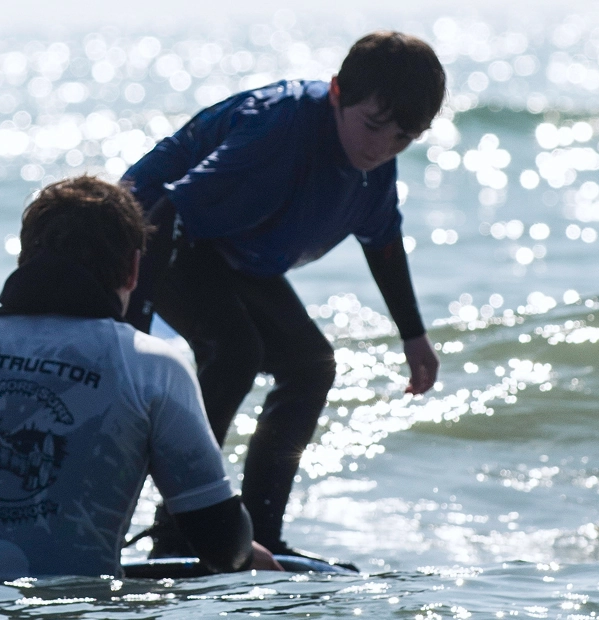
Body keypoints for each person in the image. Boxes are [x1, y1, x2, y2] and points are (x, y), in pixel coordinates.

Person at [119, 31, 445, 558]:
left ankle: (263, 535)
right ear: (337, 92)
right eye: (373, 126)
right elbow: (168, 213)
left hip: (232, 250)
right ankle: (178, 531)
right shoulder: (280, 125)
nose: (381, 147)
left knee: (311, 363)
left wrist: (414, 336)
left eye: (403, 138)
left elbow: (382, 242)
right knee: (235, 351)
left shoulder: (377, 161)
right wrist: (126, 331)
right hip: (155, 236)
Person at [0, 176, 275, 586]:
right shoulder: (150, 365)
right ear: (134, 267)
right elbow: (220, 545)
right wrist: (247, 551)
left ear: (24, 257)